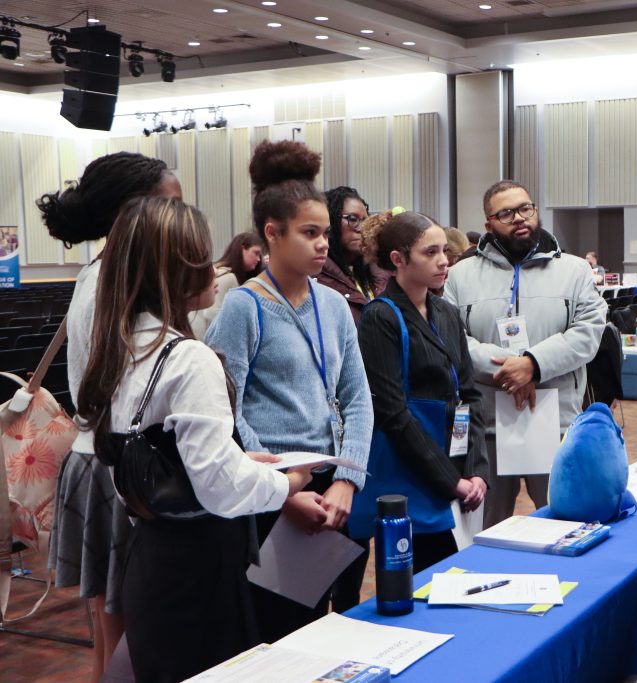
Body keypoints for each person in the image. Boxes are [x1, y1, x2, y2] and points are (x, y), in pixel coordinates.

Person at [76, 196, 314, 682]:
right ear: (174, 270)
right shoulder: (188, 358)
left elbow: (162, 459)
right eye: (202, 257)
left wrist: (237, 460)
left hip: (151, 557)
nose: (214, 269)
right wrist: (287, 483)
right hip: (198, 567)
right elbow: (219, 487)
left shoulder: (119, 345)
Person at [205, 141, 373, 641]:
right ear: (272, 233)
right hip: (274, 491)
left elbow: (358, 398)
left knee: (328, 628)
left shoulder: (334, 304)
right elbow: (225, 410)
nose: (323, 245)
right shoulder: (244, 307)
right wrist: (279, 491)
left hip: (333, 487)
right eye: (309, 233)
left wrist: (348, 480)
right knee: (277, 635)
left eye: (325, 233)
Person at [38, 152, 181, 683]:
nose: (179, 219)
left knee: (112, 633)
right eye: (170, 206)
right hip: (118, 463)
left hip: (103, 457)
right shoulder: (114, 283)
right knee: (125, 640)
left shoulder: (101, 273)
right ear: (129, 214)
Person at [444, 180, 606, 529]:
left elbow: (589, 333)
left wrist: (533, 365)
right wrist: (510, 370)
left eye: (525, 208)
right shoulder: (458, 277)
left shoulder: (575, 271)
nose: (519, 218)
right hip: (487, 425)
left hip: (555, 421)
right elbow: (451, 339)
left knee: (564, 525)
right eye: (506, 213)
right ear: (488, 224)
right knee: (484, 530)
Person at [353, 212, 489, 570]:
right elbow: (393, 413)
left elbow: (468, 395)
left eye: (444, 250)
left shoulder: (446, 312)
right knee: (422, 584)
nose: (443, 260)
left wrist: (474, 469)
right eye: (430, 252)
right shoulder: (380, 316)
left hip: (453, 468)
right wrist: (450, 480)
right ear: (398, 259)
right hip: (413, 476)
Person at [315, 185, 390, 322]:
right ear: (330, 222)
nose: (362, 229)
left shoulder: (377, 271)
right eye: (353, 219)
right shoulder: (316, 278)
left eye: (366, 221)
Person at [190, 232, 264, 339]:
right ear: (242, 249)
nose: (258, 259)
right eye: (255, 253)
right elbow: (212, 314)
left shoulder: (222, 272)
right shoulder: (228, 277)